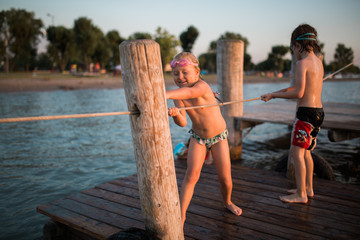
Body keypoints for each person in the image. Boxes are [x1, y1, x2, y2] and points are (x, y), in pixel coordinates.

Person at [166, 52, 242, 227]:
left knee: (225, 179)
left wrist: (164, 94)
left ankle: (227, 201)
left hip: (219, 137)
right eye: (176, 73)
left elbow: (190, 91)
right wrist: (176, 115)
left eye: (185, 72)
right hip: (198, 137)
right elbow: (183, 122)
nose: (180, 77)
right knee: (191, 176)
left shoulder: (202, 86)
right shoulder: (179, 95)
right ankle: (181, 215)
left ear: (197, 72)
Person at [261, 24, 324, 204]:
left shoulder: (301, 63)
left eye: (291, 47)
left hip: (305, 114)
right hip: (318, 113)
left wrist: (274, 95)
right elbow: (299, 87)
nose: (293, 52)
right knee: (307, 153)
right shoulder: (318, 62)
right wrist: (275, 93)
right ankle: (308, 189)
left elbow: (299, 93)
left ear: (297, 45)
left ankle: (301, 195)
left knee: (297, 154)